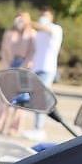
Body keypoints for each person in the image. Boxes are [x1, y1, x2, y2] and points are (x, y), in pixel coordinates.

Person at [0, 12, 37, 136]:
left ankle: (14, 127)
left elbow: (32, 52)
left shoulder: (31, 34)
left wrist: (25, 67)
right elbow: (4, 51)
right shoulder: (9, 33)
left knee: (21, 100)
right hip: (10, 65)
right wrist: (6, 67)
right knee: (4, 98)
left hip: (24, 67)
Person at [25, 8, 63, 137]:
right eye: (42, 15)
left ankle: (39, 129)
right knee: (37, 98)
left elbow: (44, 28)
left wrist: (29, 21)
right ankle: (37, 127)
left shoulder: (56, 29)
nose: (43, 17)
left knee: (41, 98)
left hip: (47, 69)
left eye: (46, 16)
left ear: (52, 17)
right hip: (36, 69)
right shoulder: (38, 33)